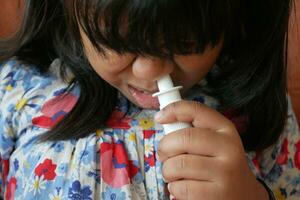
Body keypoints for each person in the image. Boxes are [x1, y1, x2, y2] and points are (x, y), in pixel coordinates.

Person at [0, 0, 299, 199]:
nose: (150, 70)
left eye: (184, 43)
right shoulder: (17, 89)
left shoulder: (259, 108)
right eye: (116, 40)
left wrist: (250, 195)